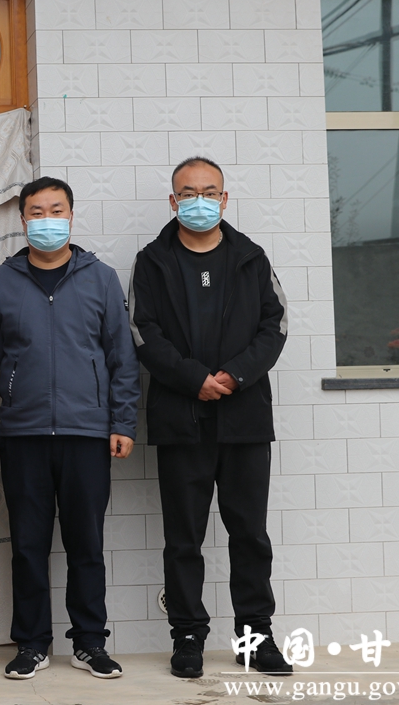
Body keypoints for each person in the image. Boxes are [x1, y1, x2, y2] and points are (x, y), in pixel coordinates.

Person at [0, 176, 139, 681]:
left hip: (88, 433)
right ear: (23, 220)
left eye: (56, 210)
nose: (47, 220)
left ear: (71, 215)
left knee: (87, 544)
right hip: (22, 434)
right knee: (27, 545)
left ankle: (90, 643)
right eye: (37, 212)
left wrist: (122, 421)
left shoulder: (100, 278)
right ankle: (32, 644)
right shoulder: (0, 282)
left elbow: (122, 357)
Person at [129, 156, 291, 678]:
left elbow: (275, 325)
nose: (198, 201)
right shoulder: (152, 261)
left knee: (250, 535)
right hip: (181, 419)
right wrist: (192, 378)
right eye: (187, 192)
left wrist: (236, 375)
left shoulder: (251, 257)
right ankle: (187, 636)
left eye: (209, 192)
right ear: (172, 201)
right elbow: (142, 331)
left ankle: (255, 637)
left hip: (245, 420)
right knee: (184, 538)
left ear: (224, 199)